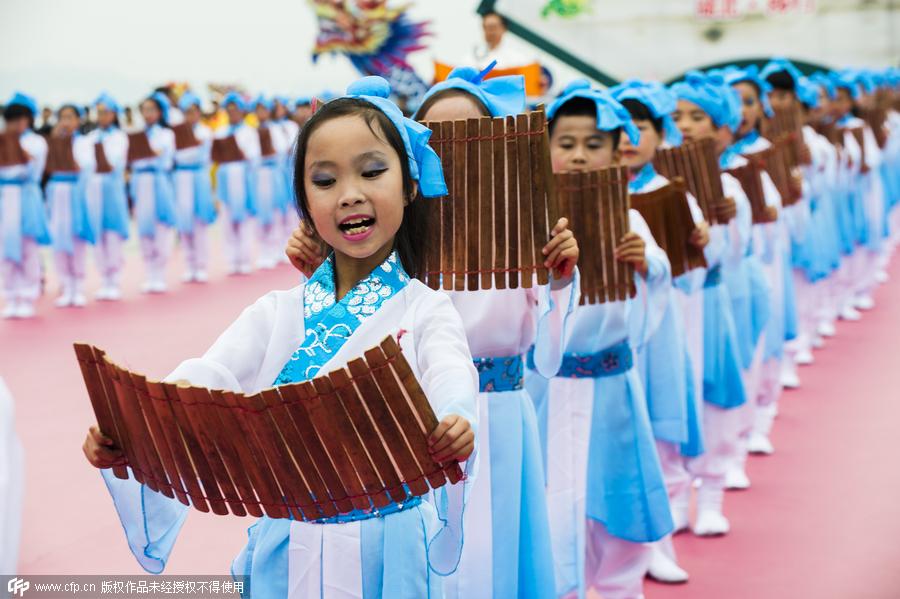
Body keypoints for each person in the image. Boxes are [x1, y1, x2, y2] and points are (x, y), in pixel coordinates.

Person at [83, 76, 479, 599]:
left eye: (372, 171)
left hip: (391, 543)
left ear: (409, 185)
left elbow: (451, 371)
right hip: (287, 535)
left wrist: (457, 418)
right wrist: (134, 431)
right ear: (303, 200)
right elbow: (210, 375)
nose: (350, 194)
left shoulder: (427, 308)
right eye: (324, 180)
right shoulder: (277, 312)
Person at [288, 64, 580, 599]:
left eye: (469, 136)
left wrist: (560, 286)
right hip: (412, 428)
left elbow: (550, 358)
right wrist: (321, 277)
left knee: (493, 562)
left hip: (497, 419)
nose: (453, 152)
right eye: (436, 138)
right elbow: (347, 341)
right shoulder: (386, 238)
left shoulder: (528, 229)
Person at [526, 80, 672, 599]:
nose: (580, 156)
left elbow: (659, 288)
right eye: (566, 144)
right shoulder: (527, 223)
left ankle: (620, 587)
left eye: (594, 144)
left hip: (612, 386)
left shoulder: (628, 218)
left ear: (617, 151)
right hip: (547, 388)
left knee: (618, 502)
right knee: (549, 507)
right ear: (544, 150)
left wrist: (648, 265)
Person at [610, 78, 706, 584]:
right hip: (597, 349)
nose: (627, 137)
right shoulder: (568, 202)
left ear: (657, 133)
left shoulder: (673, 193)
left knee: (660, 442)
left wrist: (655, 262)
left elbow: (694, 274)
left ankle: (660, 544)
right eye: (616, 129)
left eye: (638, 126)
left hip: (659, 332)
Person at [670, 71, 749, 536]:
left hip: (712, 303)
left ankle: (713, 494)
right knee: (675, 402)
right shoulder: (660, 188)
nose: (685, 126)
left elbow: (736, 250)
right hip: (669, 312)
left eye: (697, 117)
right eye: (676, 116)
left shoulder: (729, 186)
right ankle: (678, 497)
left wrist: (716, 231)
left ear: (722, 128)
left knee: (715, 395)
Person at [0, 92, 50, 319]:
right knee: (6, 249)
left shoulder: (36, 142)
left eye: (20, 118)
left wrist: (23, 157)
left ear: (28, 119)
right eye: (11, 119)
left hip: (26, 194)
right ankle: (11, 295)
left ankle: (28, 294)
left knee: (28, 247)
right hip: (5, 194)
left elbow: (33, 172)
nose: (16, 123)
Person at [45, 103, 96, 308]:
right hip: (57, 192)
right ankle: (65, 285)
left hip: (75, 192)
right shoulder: (52, 141)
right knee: (59, 237)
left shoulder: (83, 143)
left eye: (69, 117)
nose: (65, 122)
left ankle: (78, 285)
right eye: (62, 117)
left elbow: (87, 167)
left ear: (78, 120)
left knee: (76, 238)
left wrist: (71, 160)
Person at [85, 93, 131, 301]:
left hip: (111, 189)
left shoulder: (119, 137)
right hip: (94, 189)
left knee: (112, 234)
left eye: (106, 112)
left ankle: (114, 278)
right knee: (98, 234)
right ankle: (104, 278)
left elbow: (113, 162)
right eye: (99, 112)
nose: (102, 116)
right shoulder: (91, 137)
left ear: (114, 114)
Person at [130, 91, 177, 293]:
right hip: (140, 182)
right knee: (144, 229)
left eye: (152, 110)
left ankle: (159, 272)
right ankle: (149, 272)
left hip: (158, 181)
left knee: (161, 228)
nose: (147, 114)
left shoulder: (166, 134)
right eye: (145, 110)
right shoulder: (135, 134)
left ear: (160, 112)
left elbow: (160, 155)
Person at [215, 92, 260, 275]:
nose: (232, 113)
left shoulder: (249, 132)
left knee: (243, 220)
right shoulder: (220, 132)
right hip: (225, 176)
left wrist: (243, 154)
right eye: (229, 110)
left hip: (242, 176)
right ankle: (231, 260)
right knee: (227, 220)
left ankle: (245, 259)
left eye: (235, 110)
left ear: (242, 111)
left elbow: (255, 157)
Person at [173, 92, 216, 283]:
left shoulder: (205, 132)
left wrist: (187, 151)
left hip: (198, 176)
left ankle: (201, 265)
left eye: (192, 111)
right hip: (181, 177)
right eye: (185, 112)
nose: (189, 116)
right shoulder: (175, 133)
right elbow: (175, 157)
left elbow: (199, 156)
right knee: (184, 222)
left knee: (199, 222)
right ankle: (189, 264)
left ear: (198, 112)